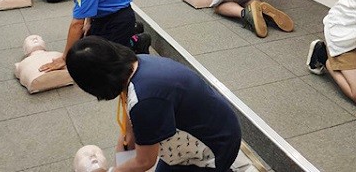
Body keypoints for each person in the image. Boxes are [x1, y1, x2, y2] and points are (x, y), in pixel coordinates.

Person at [66, 36, 242, 172]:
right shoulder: (133, 66)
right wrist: (122, 165)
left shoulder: (145, 100)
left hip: (215, 148)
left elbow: (145, 161)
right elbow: (129, 132)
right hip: (209, 131)